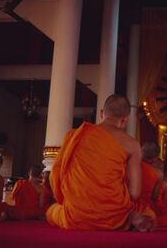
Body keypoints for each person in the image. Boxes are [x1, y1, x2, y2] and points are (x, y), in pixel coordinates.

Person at [46, 94, 154, 231]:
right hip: (113, 214)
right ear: (124, 120)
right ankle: (128, 216)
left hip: (76, 215)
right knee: (147, 211)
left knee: (51, 212)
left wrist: (66, 199)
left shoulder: (75, 135)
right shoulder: (132, 144)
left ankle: (125, 216)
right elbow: (135, 192)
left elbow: (55, 175)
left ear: (102, 113)